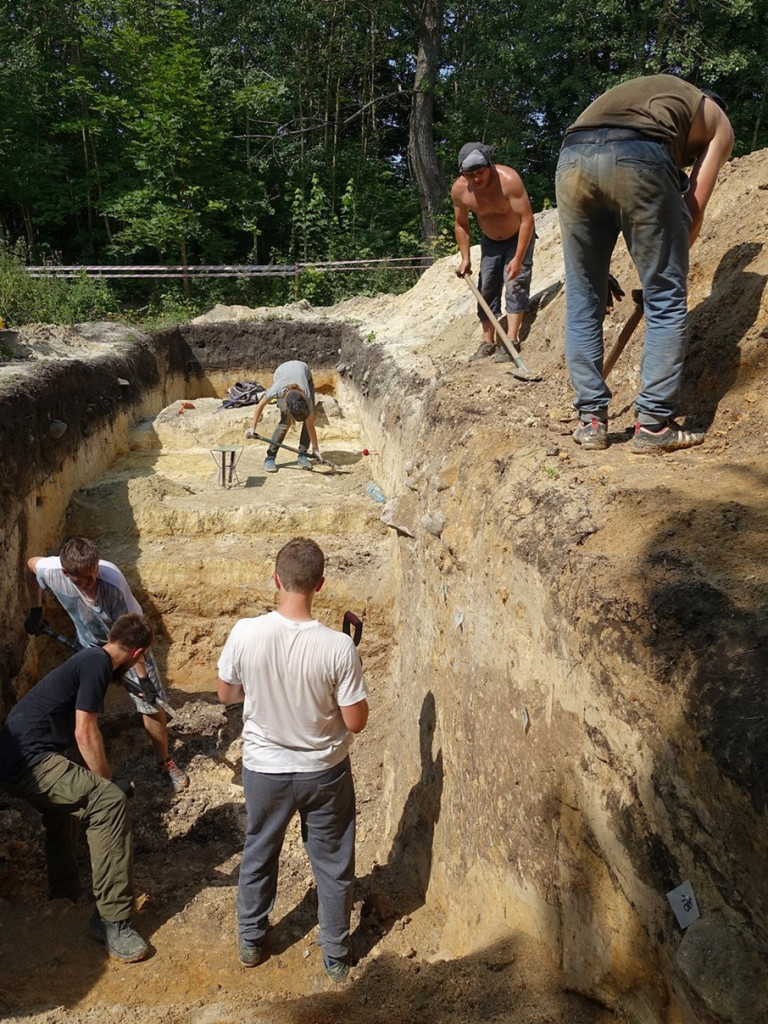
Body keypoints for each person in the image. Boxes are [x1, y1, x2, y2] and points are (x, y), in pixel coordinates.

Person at [555, 74, 734, 453]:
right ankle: (653, 426)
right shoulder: (719, 120)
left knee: (584, 298)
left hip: (572, 156)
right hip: (639, 153)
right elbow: (693, 208)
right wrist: (660, 272)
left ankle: (590, 422)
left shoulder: (654, 95)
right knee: (666, 299)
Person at [217, 537, 369, 980]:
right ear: (320, 585)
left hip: (264, 770)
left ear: (276, 580)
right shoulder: (338, 647)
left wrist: (260, 690)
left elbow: (226, 694)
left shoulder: (245, 632)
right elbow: (355, 722)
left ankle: (251, 940)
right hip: (324, 772)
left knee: (259, 850)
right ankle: (336, 953)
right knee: (333, 860)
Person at [0, 614, 153, 962]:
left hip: (14, 756)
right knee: (109, 803)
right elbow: (85, 732)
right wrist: (110, 782)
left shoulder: (88, 658)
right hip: (29, 761)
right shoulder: (97, 665)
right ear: (137, 652)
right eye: (139, 661)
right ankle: (113, 921)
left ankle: (64, 892)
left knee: (62, 810)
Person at [24, 537, 189, 792]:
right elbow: (30, 566)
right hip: (90, 647)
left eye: (95, 572)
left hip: (129, 643)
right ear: (67, 573)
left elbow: (134, 635)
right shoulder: (52, 571)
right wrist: (36, 609)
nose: (93, 581)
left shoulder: (112, 584)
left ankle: (165, 761)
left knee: (149, 704)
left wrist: (143, 678)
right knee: (84, 708)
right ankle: (87, 764)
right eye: (85, 578)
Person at [452, 141, 536, 362]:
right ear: (463, 173)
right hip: (490, 241)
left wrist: (518, 258)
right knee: (486, 286)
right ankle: (488, 342)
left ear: (489, 166)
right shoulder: (459, 190)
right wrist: (465, 258)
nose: (477, 179)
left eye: (480, 172)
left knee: (515, 282)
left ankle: (511, 341)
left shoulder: (508, 180)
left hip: (518, 236)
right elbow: (461, 225)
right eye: (471, 175)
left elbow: (527, 219)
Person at [245, 360, 321, 473]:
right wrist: (252, 427)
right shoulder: (277, 390)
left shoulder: (306, 397)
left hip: (303, 371)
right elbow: (260, 406)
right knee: (285, 422)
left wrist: (315, 449)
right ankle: (270, 458)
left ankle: (303, 455)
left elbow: (310, 425)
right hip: (281, 372)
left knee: (307, 418)